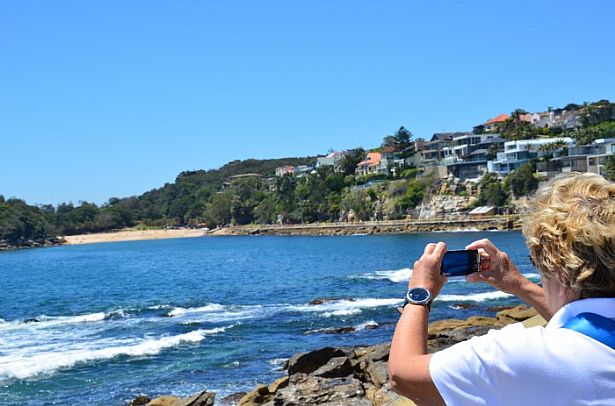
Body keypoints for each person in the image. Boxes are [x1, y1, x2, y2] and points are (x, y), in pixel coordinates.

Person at [388, 172, 615, 405]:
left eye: (536, 262)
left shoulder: (518, 354)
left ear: (560, 272)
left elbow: (402, 376)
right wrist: (518, 284)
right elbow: (584, 327)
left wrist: (420, 292)